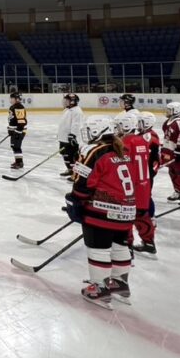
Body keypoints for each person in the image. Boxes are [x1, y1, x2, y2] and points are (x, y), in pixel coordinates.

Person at [66, 115, 136, 306]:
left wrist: (76, 200)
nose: (86, 133)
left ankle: (100, 287)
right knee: (120, 246)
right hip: (128, 210)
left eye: (89, 129)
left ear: (98, 131)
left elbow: (83, 183)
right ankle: (119, 283)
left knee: (99, 249)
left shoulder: (94, 151)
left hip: (101, 212)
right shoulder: (123, 149)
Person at [115, 111, 157, 256]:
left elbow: (123, 164)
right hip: (144, 184)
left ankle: (127, 247)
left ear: (126, 126)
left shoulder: (126, 142)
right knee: (142, 215)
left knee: (125, 217)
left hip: (131, 186)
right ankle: (149, 242)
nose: (118, 129)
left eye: (120, 126)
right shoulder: (141, 140)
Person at [132, 112, 162, 253]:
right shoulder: (145, 135)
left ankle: (150, 217)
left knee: (145, 197)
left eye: (140, 122)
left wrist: (150, 173)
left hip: (145, 175)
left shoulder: (150, 137)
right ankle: (149, 217)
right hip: (144, 174)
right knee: (145, 197)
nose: (138, 125)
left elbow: (154, 158)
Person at [56, 93, 84, 177]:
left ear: (72, 101)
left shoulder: (77, 111)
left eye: (67, 100)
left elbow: (77, 124)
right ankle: (70, 169)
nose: (65, 102)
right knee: (64, 154)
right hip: (63, 138)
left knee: (72, 155)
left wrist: (73, 135)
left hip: (70, 139)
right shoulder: (68, 110)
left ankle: (75, 173)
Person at [7, 91, 27, 170]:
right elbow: (12, 120)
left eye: (12, 98)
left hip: (19, 131)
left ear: (17, 99)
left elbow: (22, 121)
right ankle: (17, 161)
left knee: (17, 146)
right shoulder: (13, 107)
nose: (10, 100)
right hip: (15, 131)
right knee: (14, 146)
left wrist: (18, 131)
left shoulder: (19, 107)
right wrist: (10, 129)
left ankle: (19, 163)